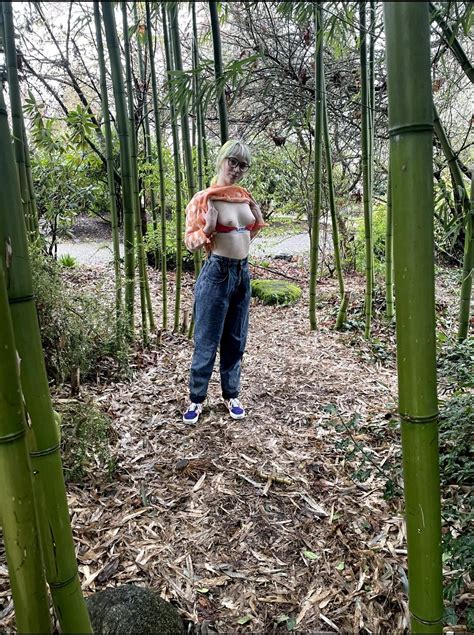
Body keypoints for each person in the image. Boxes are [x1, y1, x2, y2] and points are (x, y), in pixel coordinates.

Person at [182, 139, 266, 424]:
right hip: (217, 273)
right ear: (221, 160)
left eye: (243, 165)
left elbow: (245, 235)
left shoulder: (243, 195)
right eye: (233, 162)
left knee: (235, 338)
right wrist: (207, 228)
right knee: (207, 339)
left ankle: (231, 394)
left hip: (242, 272)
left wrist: (257, 220)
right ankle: (196, 399)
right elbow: (190, 243)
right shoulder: (203, 198)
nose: (237, 169)